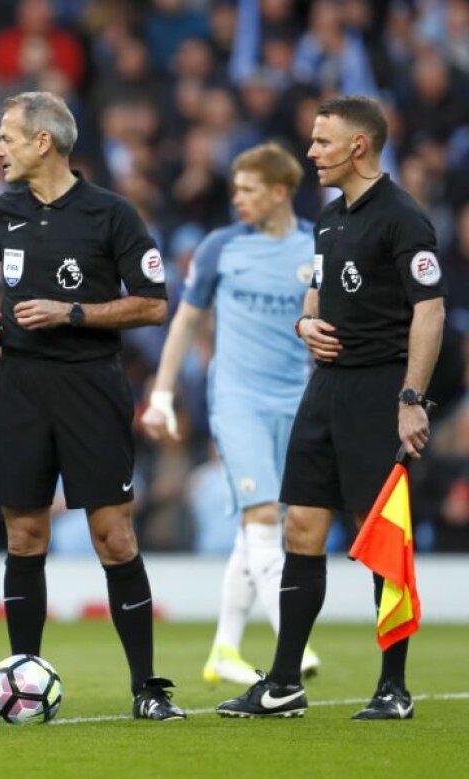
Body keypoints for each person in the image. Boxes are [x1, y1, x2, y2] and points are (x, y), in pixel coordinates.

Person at [0, 91, 183, 721]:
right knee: (24, 535)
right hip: (20, 386)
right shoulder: (1, 212)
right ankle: (20, 679)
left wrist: (73, 312)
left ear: (43, 142)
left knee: (113, 535)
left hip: (90, 384)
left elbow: (154, 301)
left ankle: (147, 688)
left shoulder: (111, 214)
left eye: (7, 137)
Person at [217, 95, 445, 720]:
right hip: (325, 389)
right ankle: (285, 680)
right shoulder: (329, 219)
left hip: (379, 391)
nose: (311, 152)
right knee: (301, 528)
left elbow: (431, 310)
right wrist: (304, 326)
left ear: (358, 147)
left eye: (321, 142)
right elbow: (317, 296)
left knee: (383, 540)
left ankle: (393, 687)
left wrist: (410, 399)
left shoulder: (403, 218)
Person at [141, 142, 322, 685]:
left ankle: (224, 648)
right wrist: (162, 395)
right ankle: (297, 646)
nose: (237, 200)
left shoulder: (317, 248)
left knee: (261, 527)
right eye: (234, 189)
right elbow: (185, 323)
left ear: (279, 192)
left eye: (248, 190)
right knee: (263, 517)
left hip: (297, 399)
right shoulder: (222, 247)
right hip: (237, 400)